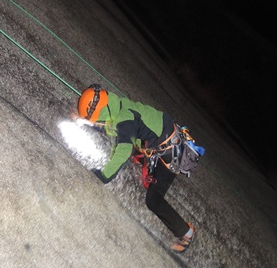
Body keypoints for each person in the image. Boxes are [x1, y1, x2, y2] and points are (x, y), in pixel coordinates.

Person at [77, 84, 195, 253]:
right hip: (164, 136)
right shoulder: (118, 106)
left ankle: (186, 232)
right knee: (134, 147)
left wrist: (103, 176)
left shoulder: (125, 120)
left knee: (153, 200)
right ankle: (146, 160)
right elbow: (117, 128)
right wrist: (93, 125)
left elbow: (123, 150)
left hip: (172, 154)